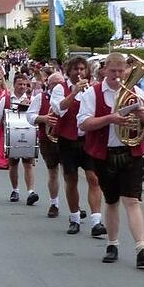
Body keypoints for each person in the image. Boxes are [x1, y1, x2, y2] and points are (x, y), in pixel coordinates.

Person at [78, 52, 144, 267]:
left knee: (133, 200)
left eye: (120, 71)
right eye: (113, 71)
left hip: (131, 152)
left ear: (126, 70)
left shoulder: (137, 92)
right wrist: (110, 118)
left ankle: (142, 247)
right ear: (104, 70)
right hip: (104, 153)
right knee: (112, 200)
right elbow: (84, 124)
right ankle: (112, 243)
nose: (117, 75)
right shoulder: (92, 93)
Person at [52, 57, 104, 237]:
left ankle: (96, 221)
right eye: (76, 69)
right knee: (71, 179)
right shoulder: (60, 88)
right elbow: (59, 109)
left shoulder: (92, 89)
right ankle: (74, 218)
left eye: (82, 69)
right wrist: (73, 93)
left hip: (88, 139)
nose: (79, 72)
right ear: (69, 71)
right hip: (68, 140)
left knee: (94, 179)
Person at [0, 74, 37, 203]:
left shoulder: (32, 99)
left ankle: (30, 192)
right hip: (12, 137)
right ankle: (15, 190)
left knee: (28, 164)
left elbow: (38, 117)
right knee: (13, 164)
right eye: (20, 84)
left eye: (25, 85)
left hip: (29, 136)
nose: (22, 87)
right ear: (14, 84)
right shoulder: (6, 99)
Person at [27, 72, 63, 218]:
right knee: (53, 172)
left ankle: (76, 206)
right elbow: (30, 116)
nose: (59, 86)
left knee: (70, 174)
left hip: (66, 138)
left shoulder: (68, 96)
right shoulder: (41, 97)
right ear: (49, 84)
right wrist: (44, 118)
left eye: (61, 83)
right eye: (55, 83)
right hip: (48, 139)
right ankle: (54, 203)